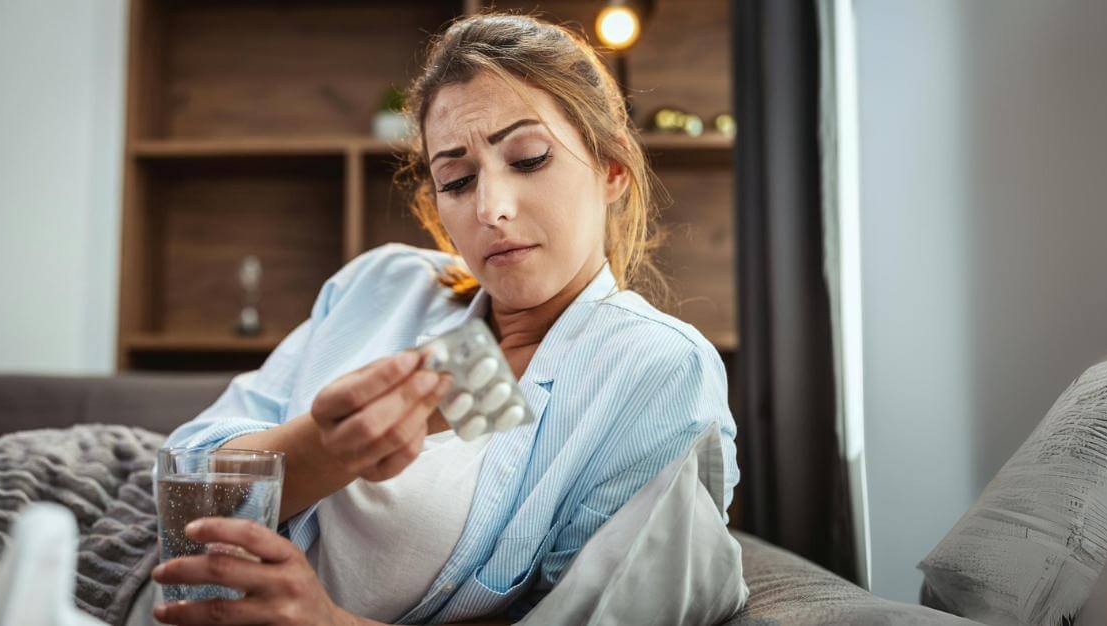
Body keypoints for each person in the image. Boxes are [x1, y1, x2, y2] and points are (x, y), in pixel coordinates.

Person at [141, 13, 738, 626]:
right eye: (456, 178)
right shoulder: (384, 284)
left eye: (529, 159)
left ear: (612, 169)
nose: (491, 209)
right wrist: (324, 449)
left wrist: (325, 622)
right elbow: (178, 490)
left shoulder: (656, 369)